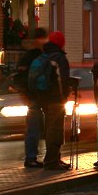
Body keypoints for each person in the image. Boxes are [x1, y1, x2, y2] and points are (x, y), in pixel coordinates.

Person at [34, 31, 71, 170]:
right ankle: (51, 161)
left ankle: (55, 158)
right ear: (61, 43)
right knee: (56, 130)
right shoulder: (59, 58)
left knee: (50, 128)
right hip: (56, 99)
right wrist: (64, 96)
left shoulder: (44, 55)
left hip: (44, 98)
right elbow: (62, 79)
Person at [15, 27, 48, 168]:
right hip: (37, 96)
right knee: (36, 128)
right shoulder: (38, 56)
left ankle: (33, 156)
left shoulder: (27, 56)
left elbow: (18, 77)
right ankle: (31, 157)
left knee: (35, 127)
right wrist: (28, 94)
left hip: (33, 96)